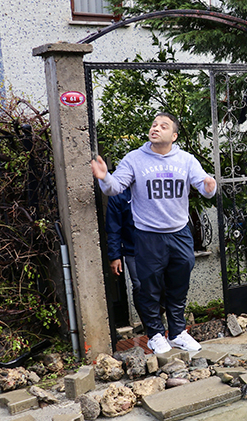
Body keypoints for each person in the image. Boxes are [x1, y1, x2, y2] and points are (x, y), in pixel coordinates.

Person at [91, 113, 216, 354]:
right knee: (149, 289)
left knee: (178, 286)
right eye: (154, 124)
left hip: (180, 234)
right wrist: (105, 177)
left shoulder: (186, 160)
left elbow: (204, 185)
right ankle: (155, 334)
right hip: (148, 236)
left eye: (163, 126)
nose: (156, 128)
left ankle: (178, 332)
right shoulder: (135, 159)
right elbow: (115, 188)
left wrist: (210, 187)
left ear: (174, 135)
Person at [105, 188, 144, 328]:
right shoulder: (118, 195)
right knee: (139, 286)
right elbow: (113, 228)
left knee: (166, 284)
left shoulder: (148, 184)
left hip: (158, 246)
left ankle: (162, 317)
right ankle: (150, 326)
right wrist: (115, 256)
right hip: (132, 250)